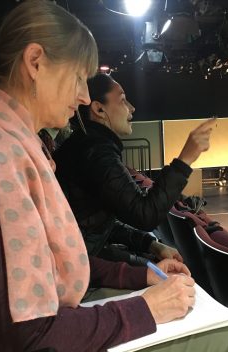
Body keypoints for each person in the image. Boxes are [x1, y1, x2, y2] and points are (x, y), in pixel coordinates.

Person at [0, 1, 228, 351]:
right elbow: (31, 334)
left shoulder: (15, 146)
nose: (82, 95)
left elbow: (63, 261)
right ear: (35, 62)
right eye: (78, 77)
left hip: (59, 316)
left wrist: (141, 272)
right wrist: (148, 307)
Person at [54, 73, 216, 264]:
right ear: (98, 108)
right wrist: (185, 160)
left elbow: (96, 224)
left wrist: (150, 244)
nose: (131, 108)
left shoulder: (87, 145)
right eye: (122, 100)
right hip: (78, 266)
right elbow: (145, 214)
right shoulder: (96, 153)